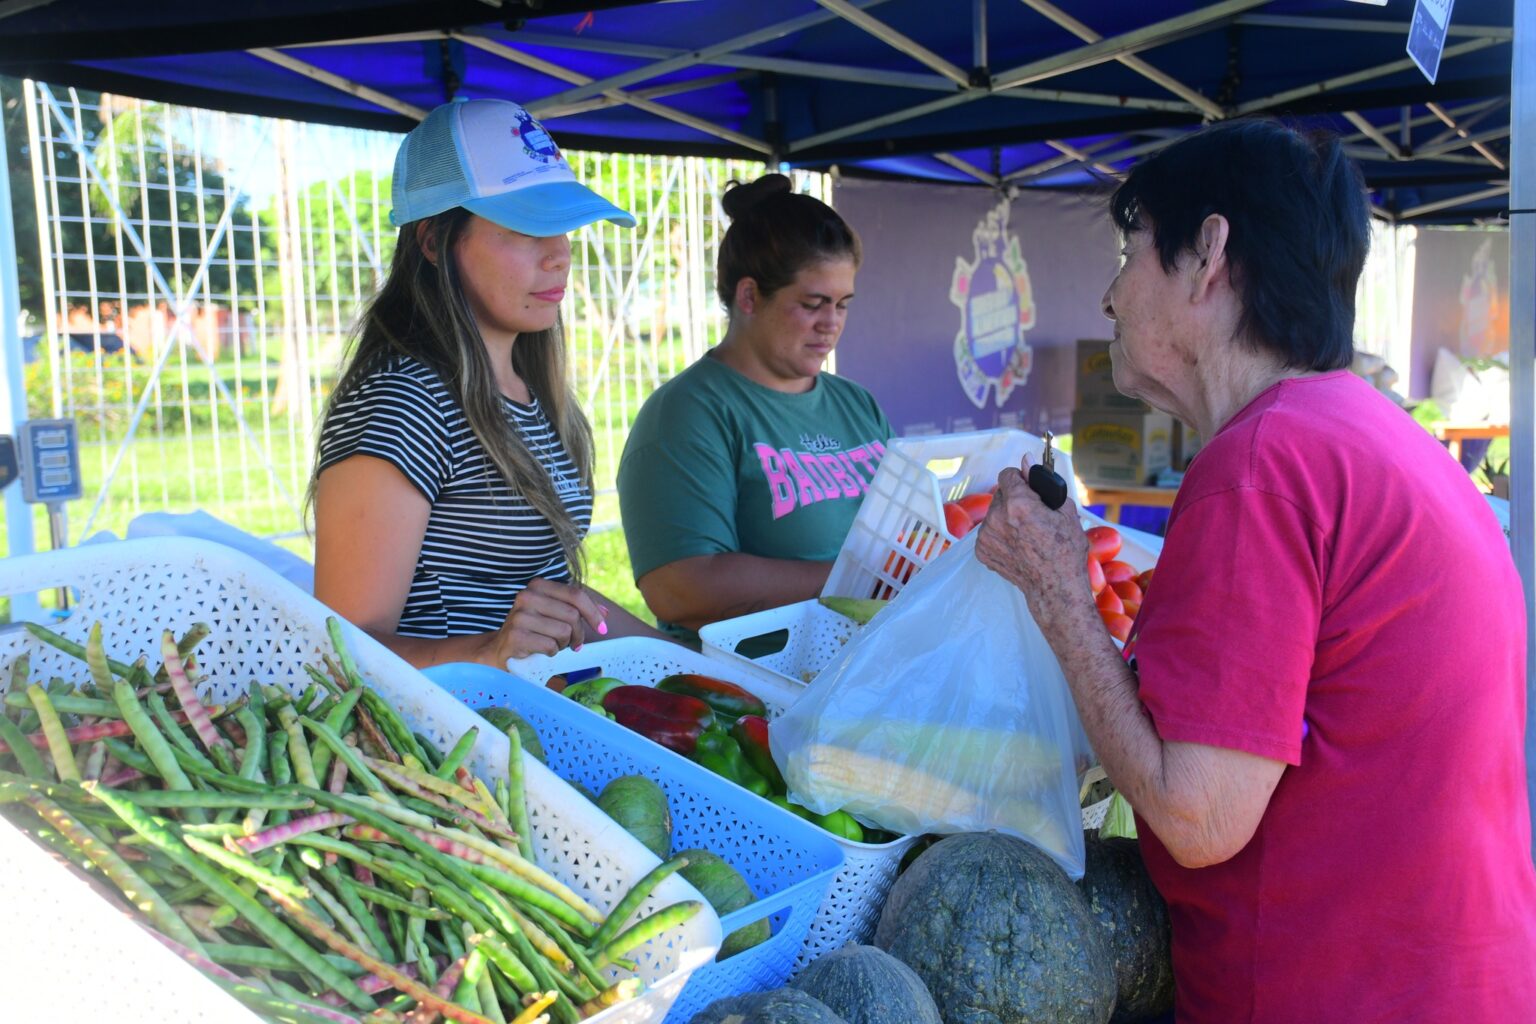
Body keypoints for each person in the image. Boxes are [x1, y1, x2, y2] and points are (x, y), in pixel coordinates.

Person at [976, 118, 1536, 1022]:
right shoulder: (1378, 436)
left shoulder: (1265, 463)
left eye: (1131, 251)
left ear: (1210, 254)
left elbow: (1197, 816)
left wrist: (1057, 591)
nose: (1112, 298)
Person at [310, 98, 664, 670]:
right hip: (450, 744)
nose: (559, 255)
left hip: (534, 719)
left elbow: (562, 603)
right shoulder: (404, 402)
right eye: (526, 228)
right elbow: (341, 650)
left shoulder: (532, 391)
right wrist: (490, 651)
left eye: (564, 226)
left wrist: (693, 665)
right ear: (433, 242)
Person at [617, 174, 891, 641]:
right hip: (750, 693)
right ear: (749, 297)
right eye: (812, 304)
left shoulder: (857, 404)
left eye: (843, 304)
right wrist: (858, 581)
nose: (831, 324)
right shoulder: (688, 413)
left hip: (869, 670)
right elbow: (680, 589)